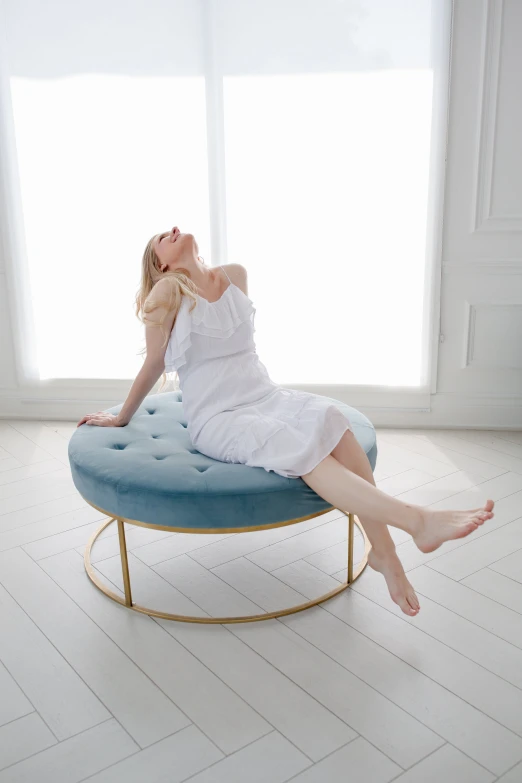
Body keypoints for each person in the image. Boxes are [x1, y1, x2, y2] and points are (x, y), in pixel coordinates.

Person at [77, 227, 495, 617]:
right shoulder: (168, 291)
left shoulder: (235, 275)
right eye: (160, 241)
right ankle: (415, 521)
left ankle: (383, 551)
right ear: (162, 265)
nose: (170, 230)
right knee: (303, 450)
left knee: (332, 419)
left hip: (266, 396)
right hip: (220, 418)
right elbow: (154, 362)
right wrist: (121, 416)